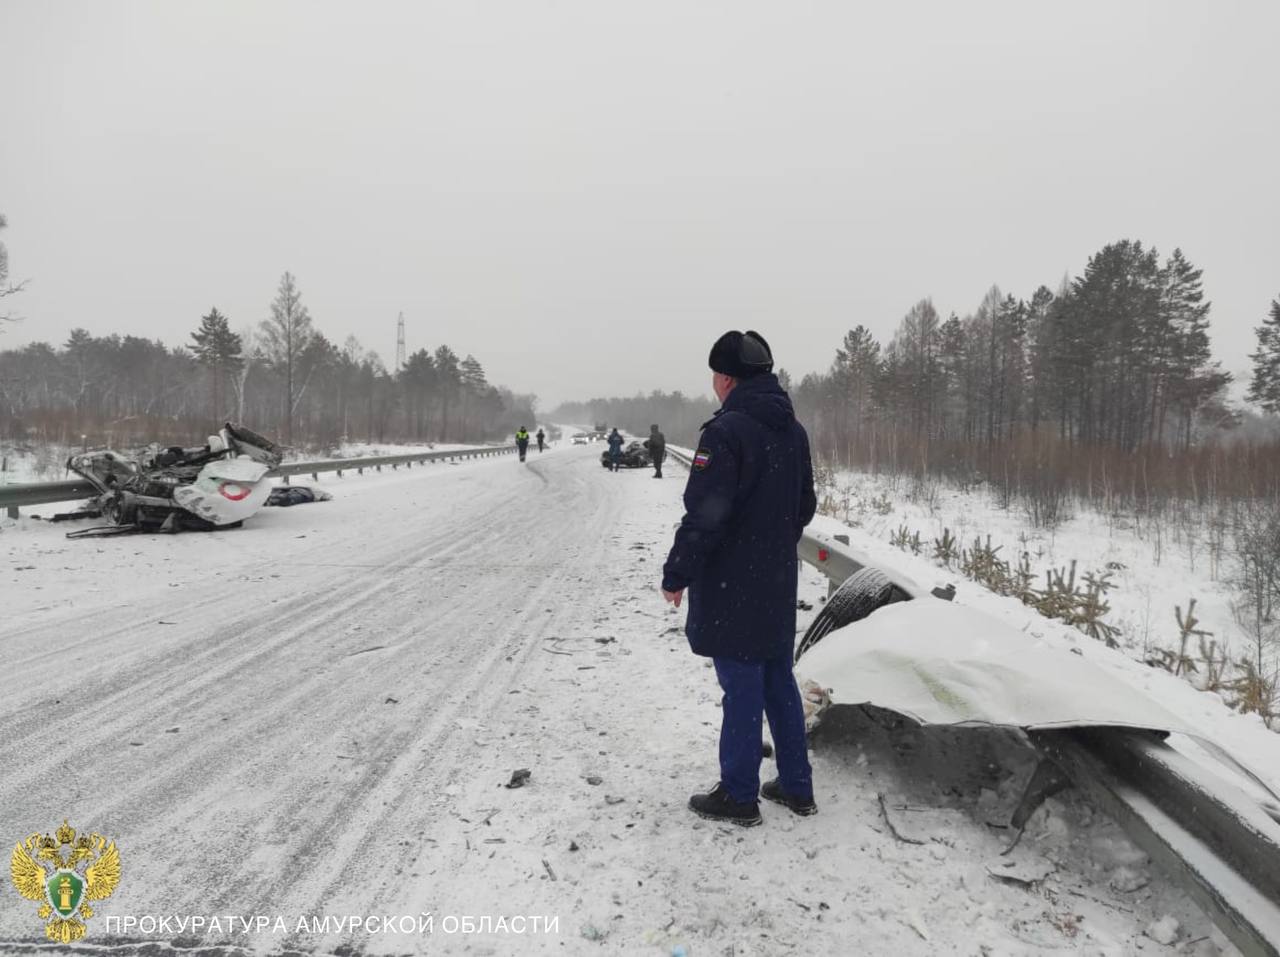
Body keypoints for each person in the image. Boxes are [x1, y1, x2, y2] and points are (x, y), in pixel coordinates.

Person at [660, 330, 818, 827]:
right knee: (778, 680)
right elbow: (806, 506)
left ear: (726, 378)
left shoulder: (726, 432)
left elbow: (706, 515)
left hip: (732, 582)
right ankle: (796, 787)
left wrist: (677, 573)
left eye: (714, 376)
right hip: (776, 578)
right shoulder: (792, 430)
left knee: (742, 686)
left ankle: (739, 795)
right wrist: (771, 541)